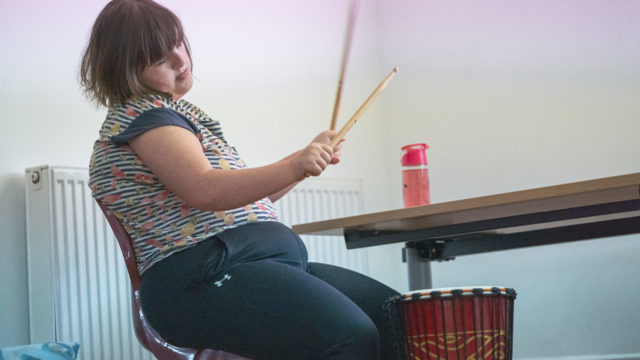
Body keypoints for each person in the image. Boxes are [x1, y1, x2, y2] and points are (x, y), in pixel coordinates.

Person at [81, 0, 400, 359]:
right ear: (123, 71)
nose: (180, 59)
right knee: (349, 335)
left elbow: (245, 196)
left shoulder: (176, 117)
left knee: (397, 317)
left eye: (178, 43)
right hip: (201, 279)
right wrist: (296, 164)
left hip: (251, 265)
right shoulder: (144, 119)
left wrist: (305, 159)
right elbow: (206, 188)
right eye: (159, 59)